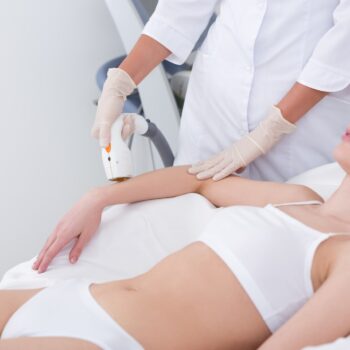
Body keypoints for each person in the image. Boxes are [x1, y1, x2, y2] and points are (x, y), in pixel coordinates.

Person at [0, 126, 349, 349]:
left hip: (116, 338)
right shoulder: (297, 197)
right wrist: (99, 197)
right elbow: (198, 179)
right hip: (67, 297)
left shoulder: (344, 255)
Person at [92, 0, 350, 181]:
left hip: (301, 129)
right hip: (215, 112)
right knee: (190, 220)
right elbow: (179, 11)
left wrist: (272, 129)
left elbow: (341, 46)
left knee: (287, 235)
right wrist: (121, 82)